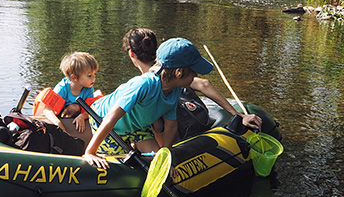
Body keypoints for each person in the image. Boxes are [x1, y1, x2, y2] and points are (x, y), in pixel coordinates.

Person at [82, 38, 209, 169]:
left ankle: (134, 146)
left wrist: (165, 158)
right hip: (103, 120)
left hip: (137, 126)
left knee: (156, 163)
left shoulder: (175, 90)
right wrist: (90, 152)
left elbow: (171, 126)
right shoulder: (144, 85)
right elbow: (111, 117)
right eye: (194, 71)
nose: (196, 74)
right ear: (179, 73)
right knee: (122, 166)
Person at [123, 28, 263, 133]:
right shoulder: (169, 71)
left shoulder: (146, 83)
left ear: (131, 54)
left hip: (175, 130)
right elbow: (204, 84)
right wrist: (238, 114)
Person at [34, 51, 99, 143]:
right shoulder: (62, 88)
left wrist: (83, 116)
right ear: (74, 78)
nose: (93, 78)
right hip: (61, 115)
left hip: (78, 115)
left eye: (94, 75)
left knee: (78, 108)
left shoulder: (89, 88)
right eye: (89, 76)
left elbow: (91, 109)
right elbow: (47, 109)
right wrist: (58, 123)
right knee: (74, 107)